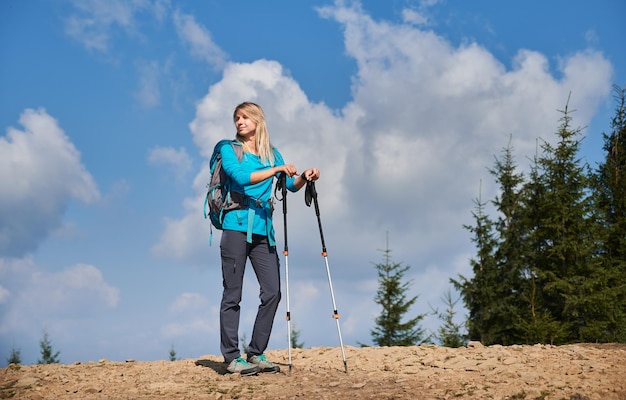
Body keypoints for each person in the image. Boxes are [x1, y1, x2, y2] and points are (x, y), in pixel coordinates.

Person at [217, 102, 320, 375]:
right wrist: (276, 170)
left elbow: (290, 185)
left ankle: (256, 353)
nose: (239, 121)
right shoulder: (229, 149)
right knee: (233, 294)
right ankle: (231, 357)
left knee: (273, 291)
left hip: (264, 231)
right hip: (235, 226)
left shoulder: (271, 153)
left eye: (244, 117)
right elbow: (240, 178)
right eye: (236, 117)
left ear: (257, 120)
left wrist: (304, 177)